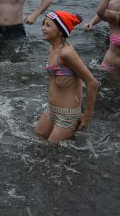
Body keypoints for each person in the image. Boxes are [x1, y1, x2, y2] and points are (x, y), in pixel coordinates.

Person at [35, 11, 99, 142]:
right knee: (36, 138)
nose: (43, 28)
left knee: (51, 150)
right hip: (51, 110)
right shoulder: (53, 48)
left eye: (47, 25)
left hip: (66, 115)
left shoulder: (67, 53)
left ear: (60, 31)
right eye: (43, 24)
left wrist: (87, 116)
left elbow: (92, 83)